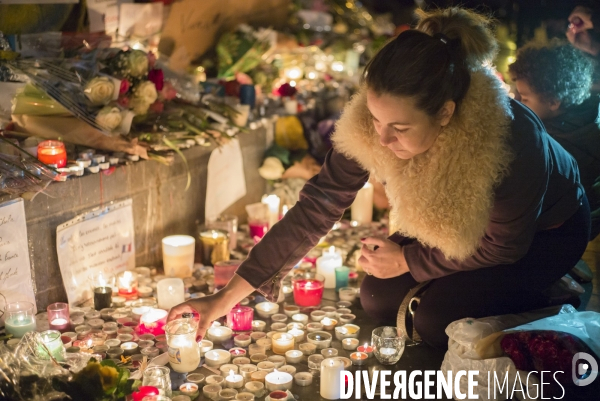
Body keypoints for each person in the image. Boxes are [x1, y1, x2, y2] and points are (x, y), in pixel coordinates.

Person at [169, 7, 589, 348]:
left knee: (435, 319)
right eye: (374, 120)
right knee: (376, 296)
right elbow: (318, 204)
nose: (382, 140)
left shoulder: (508, 140)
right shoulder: (379, 124)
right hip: (464, 233)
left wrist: (407, 259)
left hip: (542, 235)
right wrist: (224, 299)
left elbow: (504, 246)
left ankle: (556, 296)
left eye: (400, 129)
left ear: (445, 113)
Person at [508, 39, 600, 239]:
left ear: (553, 102)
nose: (516, 102)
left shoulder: (571, 146)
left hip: (562, 234)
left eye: (524, 98)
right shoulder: (581, 117)